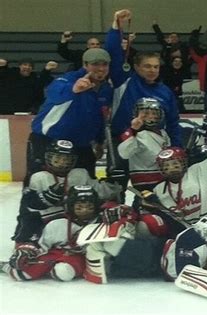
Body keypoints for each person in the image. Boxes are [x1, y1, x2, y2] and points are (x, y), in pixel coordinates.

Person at [105, 9, 182, 194]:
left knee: (154, 191)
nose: (152, 70)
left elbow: (173, 122)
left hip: (154, 144)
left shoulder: (165, 92)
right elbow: (113, 53)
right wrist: (117, 27)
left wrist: (177, 147)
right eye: (147, 66)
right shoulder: (124, 80)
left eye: (156, 66)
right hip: (123, 141)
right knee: (115, 188)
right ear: (136, 66)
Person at [11, 140, 122, 245]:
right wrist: (47, 197)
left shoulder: (80, 173)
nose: (62, 162)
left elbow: (100, 192)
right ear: (48, 157)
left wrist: (113, 182)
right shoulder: (39, 177)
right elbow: (31, 205)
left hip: (78, 219)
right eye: (58, 158)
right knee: (30, 226)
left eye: (67, 159)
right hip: (48, 222)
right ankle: (26, 243)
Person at [27, 48, 113, 183]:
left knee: (86, 184)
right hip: (48, 140)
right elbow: (54, 92)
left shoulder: (106, 89)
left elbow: (99, 117)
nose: (101, 68)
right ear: (85, 65)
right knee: (39, 182)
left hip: (81, 144)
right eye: (95, 64)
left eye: (104, 64)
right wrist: (74, 89)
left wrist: (99, 141)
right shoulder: (67, 79)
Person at [4, 185, 101, 281]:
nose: (85, 211)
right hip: (55, 253)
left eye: (90, 207)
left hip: (80, 257)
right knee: (21, 274)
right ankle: (5, 266)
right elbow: (41, 245)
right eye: (79, 207)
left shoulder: (101, 221)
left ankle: (50, 269)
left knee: (64, 272)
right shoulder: (58, 223)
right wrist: (26, 252)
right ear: (71, 207)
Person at [117, 98, 170, 193]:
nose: (150, 116)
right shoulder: (134, 134)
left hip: (164, 180)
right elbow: (124, 153)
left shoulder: (163, 133)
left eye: (154, 113)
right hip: (145, 183)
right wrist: (134, 130)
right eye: (145, 113)